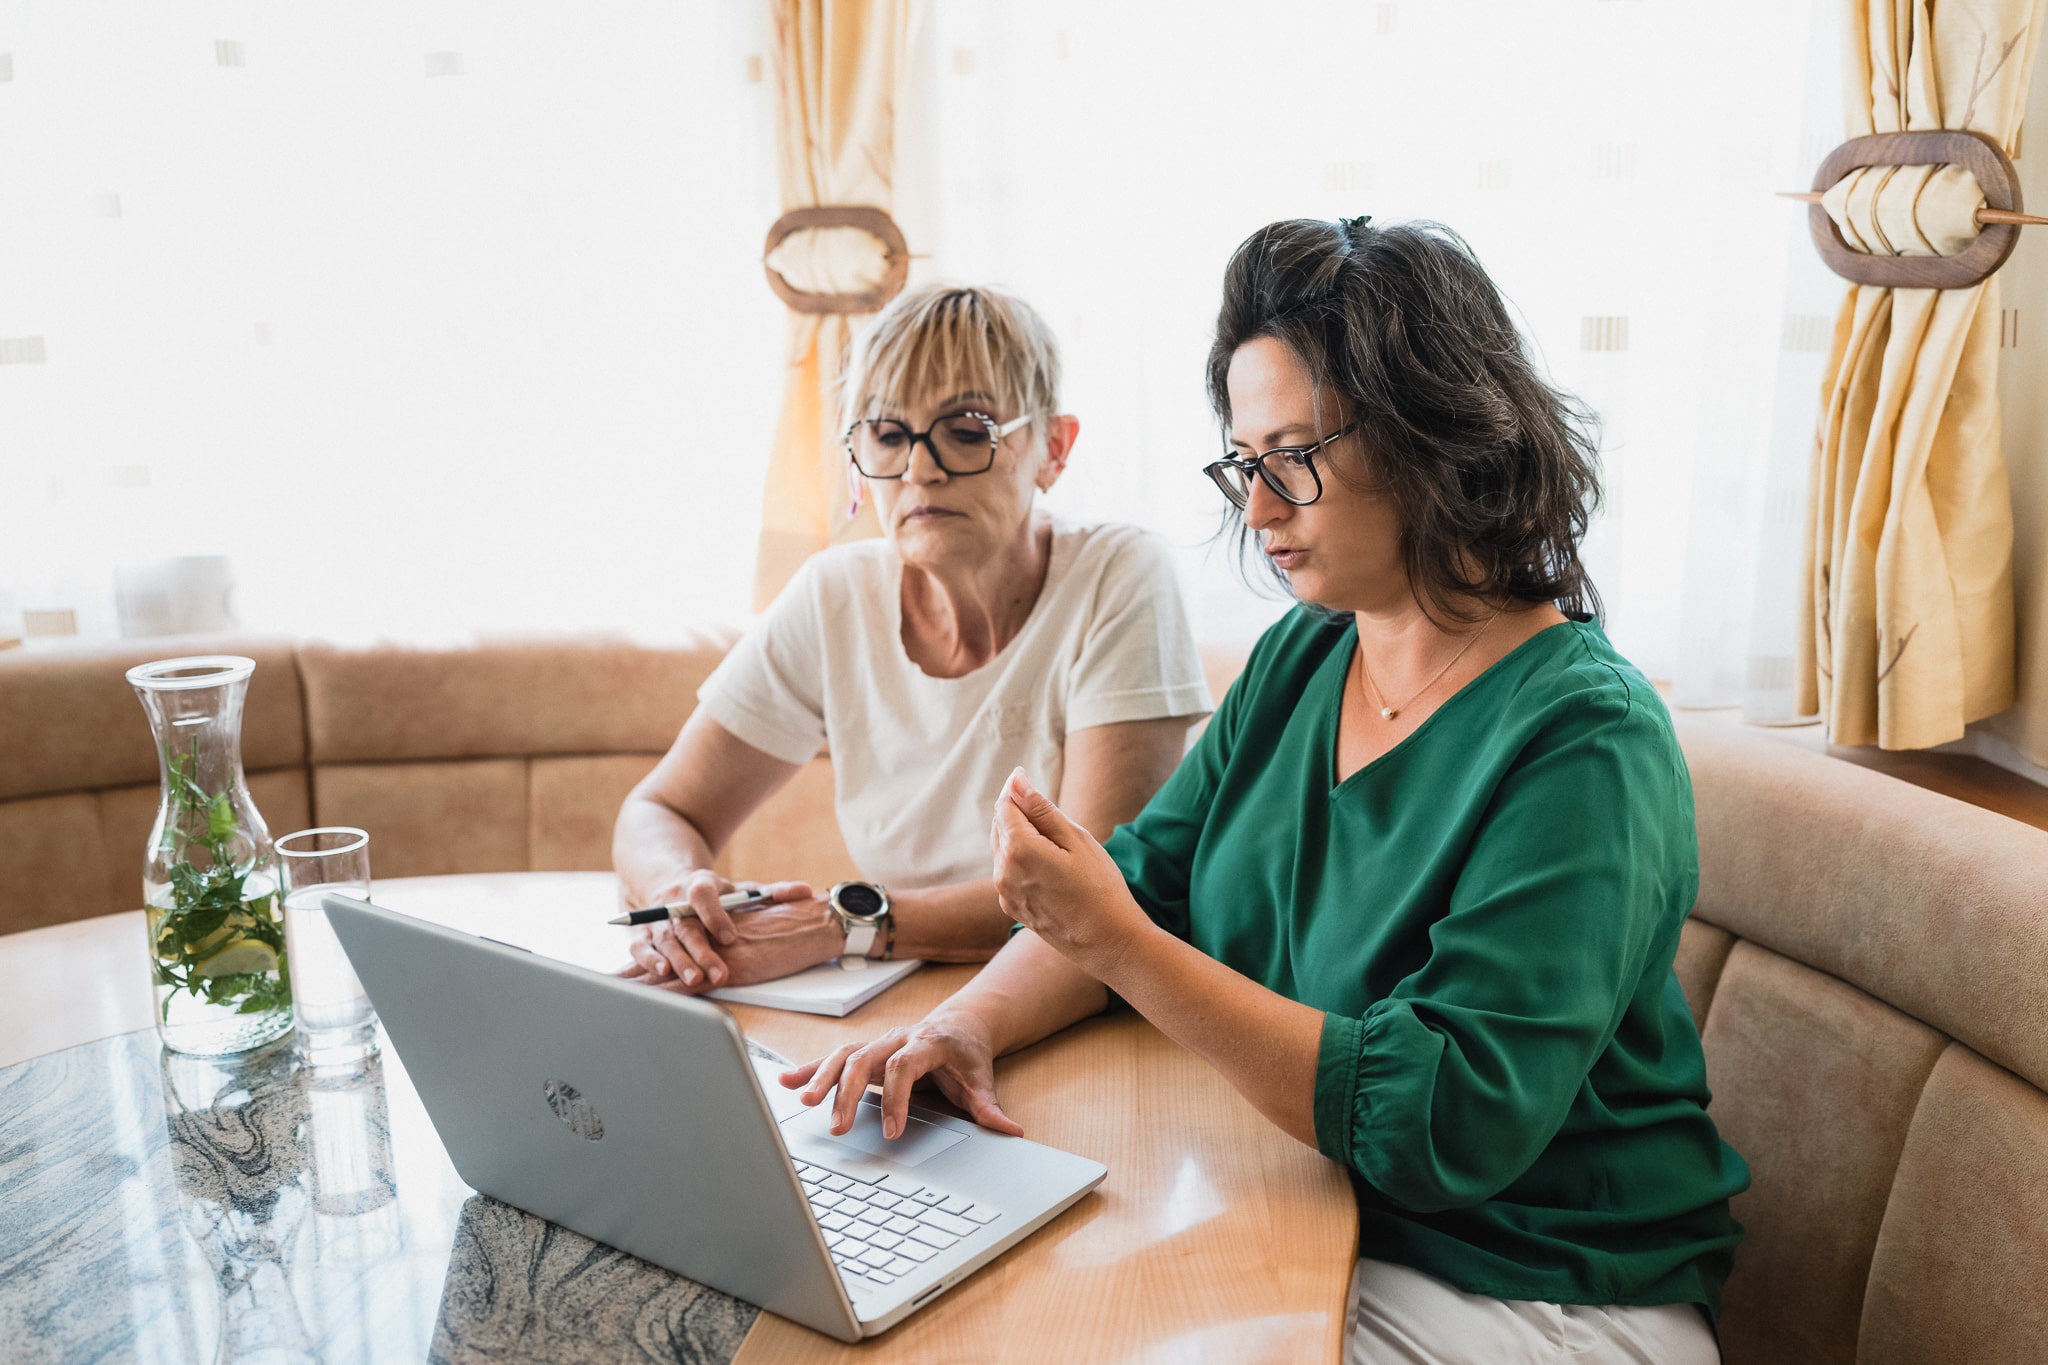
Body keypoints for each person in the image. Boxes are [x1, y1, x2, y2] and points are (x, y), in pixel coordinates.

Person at [781, 220, 1750, 1363]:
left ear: (1433, 433)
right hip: (1316, 1212)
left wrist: (1120, 943)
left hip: (1539, 1289)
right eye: (1243, 462)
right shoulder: (1303, 658)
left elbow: (1444, 1124)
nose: (1256, 510)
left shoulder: (1584, 738)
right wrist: (962, 1026)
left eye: (1292, 457)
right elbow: (1145, 881)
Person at [612, 283, 1212, 992]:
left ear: (1054, 448)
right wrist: (679, 897)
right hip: (895, 988)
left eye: (967, 430)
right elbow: (659, 810)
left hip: (1080, 996)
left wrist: (842, 923)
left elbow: (1092, 897)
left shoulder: (1120, 573)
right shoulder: (834, 595)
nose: (920, 469)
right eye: (889, 436)